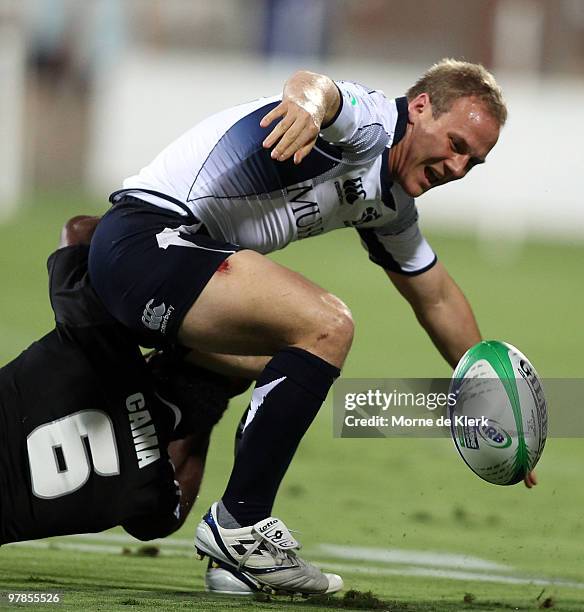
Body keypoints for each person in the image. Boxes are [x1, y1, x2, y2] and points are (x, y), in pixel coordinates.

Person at [87, 59, 526, 595]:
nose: (458, 167)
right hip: (149, 242)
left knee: (172, 492)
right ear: (420, 108)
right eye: (457, 144)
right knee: (326, 325)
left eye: (473, 163)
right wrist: (305, 107)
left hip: (173, 265)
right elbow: (319, 88)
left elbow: (434, 295)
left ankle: (169, 426)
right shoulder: (372, 125)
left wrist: (491, 399)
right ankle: (241, 527)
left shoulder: (389, 206)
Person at [0, 217, 244, 577]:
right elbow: (166, 517)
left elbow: (78, 229)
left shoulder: (97, 344)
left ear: (159, 355)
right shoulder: (151, 497)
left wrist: (177, 253)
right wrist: (203, 423)